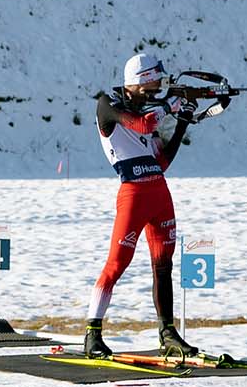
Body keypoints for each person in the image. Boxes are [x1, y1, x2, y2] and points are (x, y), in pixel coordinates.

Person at [82, 52, 220, 358]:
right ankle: (92, 334)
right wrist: (172, 105)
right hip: (133, 195)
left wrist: (182, 120)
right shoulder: (108, 104)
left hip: (159, 192)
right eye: (153, 86)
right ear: (140, 82)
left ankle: (167, 333)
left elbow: (162, 161)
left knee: (163, 266)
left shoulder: (149, 109)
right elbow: (142, 124)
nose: (156, 92)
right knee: (117, 263)